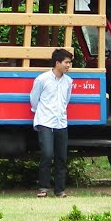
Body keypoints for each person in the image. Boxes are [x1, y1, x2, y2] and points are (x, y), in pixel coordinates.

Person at [30, 48, 74, 198]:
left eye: (70, 63)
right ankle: (43, 188)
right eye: (66, 62)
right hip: (45, 120)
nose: (69, 65)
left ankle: (60, 190)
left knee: (61, 157)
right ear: (57, 63)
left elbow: (66, 100)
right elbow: (34, 99)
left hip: (61, 121)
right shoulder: (42, 79)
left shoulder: (68, 81)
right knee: (47, 154)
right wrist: (40, 112)